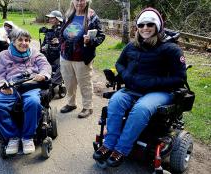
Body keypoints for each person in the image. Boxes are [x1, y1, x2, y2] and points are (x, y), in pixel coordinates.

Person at [93, 7, 187, 167]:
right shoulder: (132, 46)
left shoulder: (171, 49)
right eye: (141, 25)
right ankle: (109, 144)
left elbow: (180, 77)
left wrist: (153, 82)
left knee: (141, 109)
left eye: (150, 24)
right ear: (137, 27)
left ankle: (121, 149)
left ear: (157, 26)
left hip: (160, 92)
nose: (145, 28)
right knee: (115, 101)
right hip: (133, 89)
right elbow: (119, 63)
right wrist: (127, 75)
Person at [0, 28, 52, 155]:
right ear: (13, 41)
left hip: (30, 86)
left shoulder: (35, 53)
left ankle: (27, 137)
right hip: (11, 88)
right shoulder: (3, 55)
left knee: (33, 102)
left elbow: (46, 66)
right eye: (20, 40)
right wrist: (1, 85)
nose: (24, 43)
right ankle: (13, 137)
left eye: (27, 40)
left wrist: (43, 74)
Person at [59, 0, 105, 118]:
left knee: (84, 83)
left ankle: (87, 107)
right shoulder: (69, 15)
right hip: (66, 56)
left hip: (82, 57)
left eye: (82, 0)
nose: (79, 2)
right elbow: (61, 32)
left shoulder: (92, 17)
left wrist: (90, 41)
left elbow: (101, 35)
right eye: (77, 0)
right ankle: (71, 104)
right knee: (69, 83)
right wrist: (61, 44)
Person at [41, 10, 63, 89]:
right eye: (49, 18)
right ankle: (41, 78)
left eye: (52, 18)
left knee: (63, 64)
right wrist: (43, 47)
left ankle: (53, 83)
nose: (49, 20)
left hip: (59, 56)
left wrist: (59, 41)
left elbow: (67, 44)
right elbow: (44, 43)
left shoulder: (64, 30)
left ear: (57, 19)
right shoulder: (50, 31)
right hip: (49, 54)